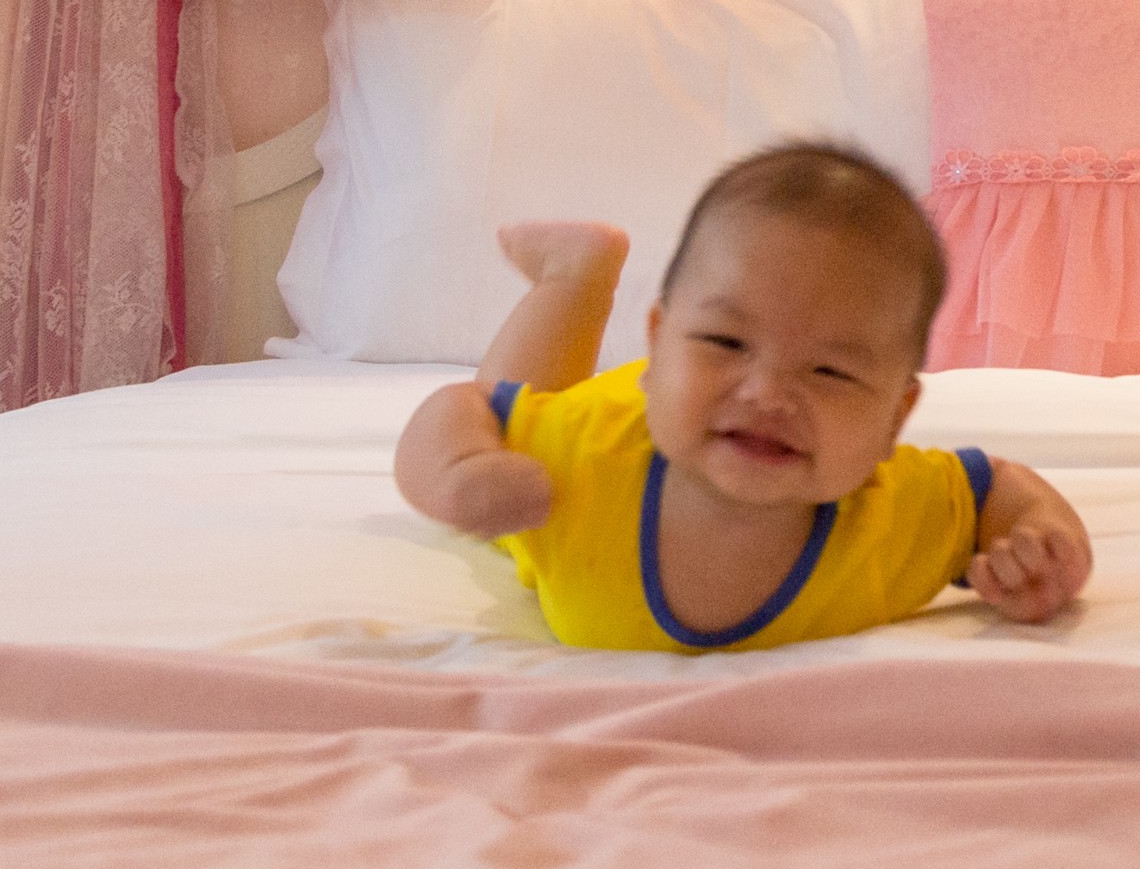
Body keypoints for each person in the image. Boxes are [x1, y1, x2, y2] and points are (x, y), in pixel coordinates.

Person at [394, 145, 1093, 652]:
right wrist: (462, 470)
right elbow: (467, 405)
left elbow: (996, 487)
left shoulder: (892, 515)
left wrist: (1047, 546)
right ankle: (573, 276)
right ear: (660, 345)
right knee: (529, 399)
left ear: (895, 420)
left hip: (677, 403)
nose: (767, 394)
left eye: (830, 371)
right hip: (611, 419)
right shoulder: (577, 458)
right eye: (726, 341)